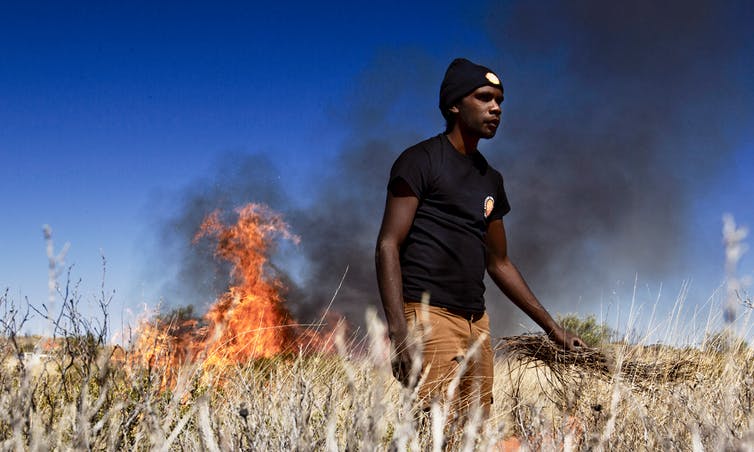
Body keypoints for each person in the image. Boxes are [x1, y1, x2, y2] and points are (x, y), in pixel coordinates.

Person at [375, 58, 585, 420]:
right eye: (484, 98)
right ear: (454, 104)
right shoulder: (420, 161)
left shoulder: (491, 179)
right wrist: (399, 332)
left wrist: (553, 329)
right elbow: (387, 244)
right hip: (429, 318)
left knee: (475, 434)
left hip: (477, 323)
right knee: (436, 431)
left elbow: (499, 262)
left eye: (500, 101)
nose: (496, 108)